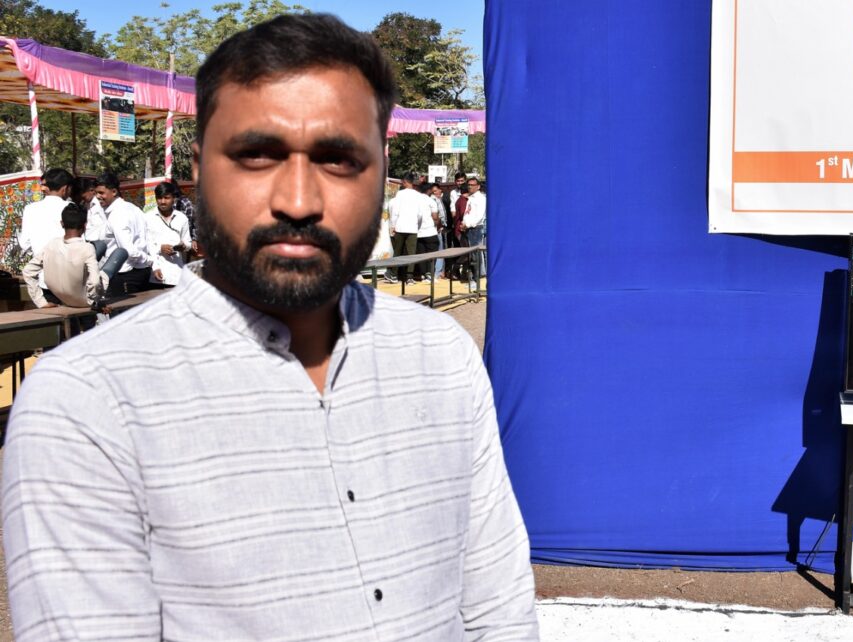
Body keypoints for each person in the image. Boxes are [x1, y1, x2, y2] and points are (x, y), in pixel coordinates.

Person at [3, 14, 537, 641]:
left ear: (381, 174)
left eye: (339, 159)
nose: (299, 200)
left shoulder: (440, 356)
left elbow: (499, 613)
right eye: (256, 156)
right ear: (200, 170)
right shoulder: (88, 402)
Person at [21, 202, 101, 310]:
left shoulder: (52, 244)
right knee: (113, 251)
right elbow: (95, 282)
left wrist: (40, 302)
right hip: (83, 301)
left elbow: (27, 271)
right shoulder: (87, 248)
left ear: (62, 223)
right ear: (85, 225)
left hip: (60, 296)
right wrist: (93, 300)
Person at [94, 171, 155, 296]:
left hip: (124, 274)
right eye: (96, 193)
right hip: (139, 271)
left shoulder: (118, 215)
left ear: (114, 192)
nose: (98, 196)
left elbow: (128, 251)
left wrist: (148, 260)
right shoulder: (133, 208)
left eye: (101, 193)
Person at [16, 167, 71, 263]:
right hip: (66, 265)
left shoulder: (30, 209)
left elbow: (24, 243)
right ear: (65, 189)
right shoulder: (71, 207)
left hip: (40, 265)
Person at [144, 182, 192, 286]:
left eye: (166, 198)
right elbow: (145, 245)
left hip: (176, 275)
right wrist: (160, 248)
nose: (162, 202)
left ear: (174, 199)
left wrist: (183, 246)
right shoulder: (147, 218)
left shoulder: (182, 218)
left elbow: (188, 243)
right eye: (159, 198)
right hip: (155, 274)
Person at [386, 172, 428, 284]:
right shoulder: (418, 195)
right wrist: (417, 225)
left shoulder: (400, 194)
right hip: (412, 228)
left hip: (400, 227)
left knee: (397, 252)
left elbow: (395, 212)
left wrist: (392, 225)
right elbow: (420, 214)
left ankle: (394, 275)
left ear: (404, 182)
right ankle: (409, 277)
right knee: (411, 253)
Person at [462, 176, 487, 292]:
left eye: (472, 185)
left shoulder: (481, 199)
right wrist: (464, 223)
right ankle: (472, 279)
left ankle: (476, 280)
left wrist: (468, 224)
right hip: (468, 228)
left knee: (475, 256)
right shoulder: (470, 198)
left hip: (475, 228)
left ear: (478, 186)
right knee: (470, 255)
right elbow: (468, 213)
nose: (470, 187)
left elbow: (479, 216)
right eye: (469, 185)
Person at [415, 182, 442, 281]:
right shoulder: (431, 201)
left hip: (418, 232)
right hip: (430, 231)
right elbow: (435, 217)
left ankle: (423, 274)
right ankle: (430, 273)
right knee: (432, 254)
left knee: (421, 255)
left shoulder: (415, 200)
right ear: (429, 190)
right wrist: (438, 224)